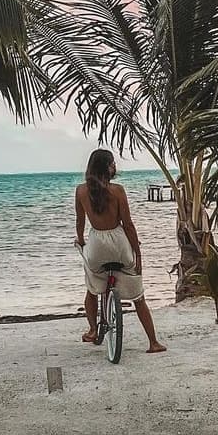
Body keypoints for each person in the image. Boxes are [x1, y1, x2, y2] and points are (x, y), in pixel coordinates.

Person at [75, 149, 166, 353]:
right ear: (107, 167)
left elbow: (80, 222)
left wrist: (81, 242)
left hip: (97, 243)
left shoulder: (81, 191)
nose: (115, 166)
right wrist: (137, 253)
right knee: (138, 295)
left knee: (91, 286)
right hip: (119, 244)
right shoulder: (118, 191)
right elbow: (128, 225)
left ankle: (91, 330)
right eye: (113, 163)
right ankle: (153, 342)